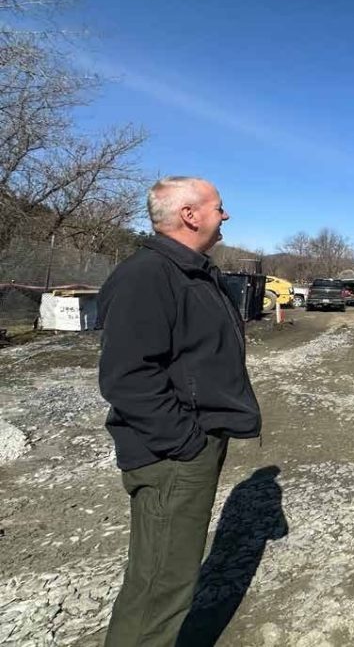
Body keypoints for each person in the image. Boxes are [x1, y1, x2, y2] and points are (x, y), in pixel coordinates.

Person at [97, 176, 262, 646]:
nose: (225, 215)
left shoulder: (192, 272)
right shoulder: (148, 275)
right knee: (159, 588)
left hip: (191, 443)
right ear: (190, 215)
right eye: (218, 207)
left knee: (172, 575)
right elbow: (127, 377)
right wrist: (185, 443)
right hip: (171, 455)